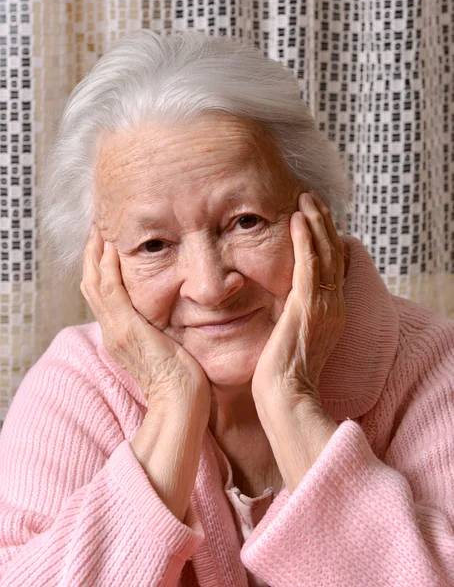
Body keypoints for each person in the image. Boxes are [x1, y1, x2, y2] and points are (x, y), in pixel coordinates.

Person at [0, 30, 453, 587]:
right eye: (154, 246)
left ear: (319, 220)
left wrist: (291, 398)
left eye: (245, 222)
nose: (211, 287)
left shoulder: (431, 366)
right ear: (102, 269)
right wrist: (170, 406)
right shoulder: (79, 386)